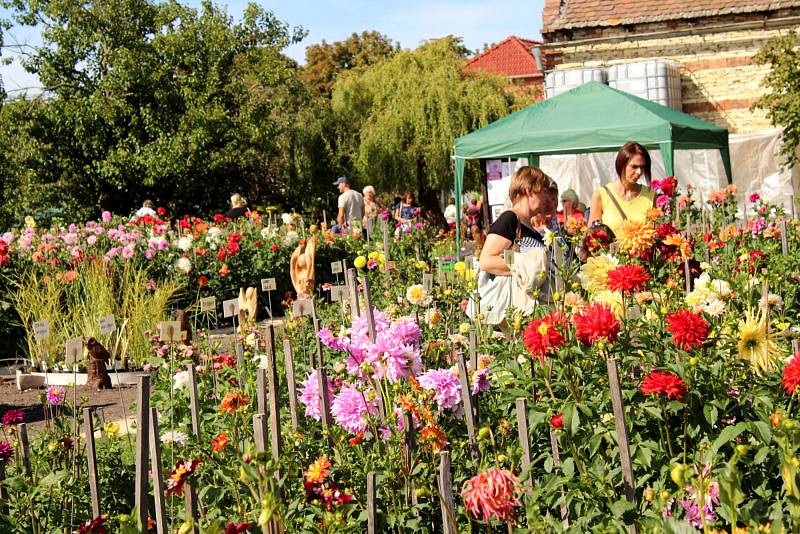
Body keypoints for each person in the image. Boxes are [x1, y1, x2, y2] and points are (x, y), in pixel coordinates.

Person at [474, 166, 558, 325]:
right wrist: (524, 265)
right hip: (517, 311)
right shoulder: (510, 219)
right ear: (529, 190)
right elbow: (486, 260)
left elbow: (509, 255)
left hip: (532, 309)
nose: (547, 197)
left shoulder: (528, 225)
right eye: (544, 191)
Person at [589, 141, 656, 236]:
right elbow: (592, 238)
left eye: (642, 167)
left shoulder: (651, 196)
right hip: (609, 250)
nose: (639, 172)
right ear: (621, 164)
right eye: (634, 166)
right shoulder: (601, 195)